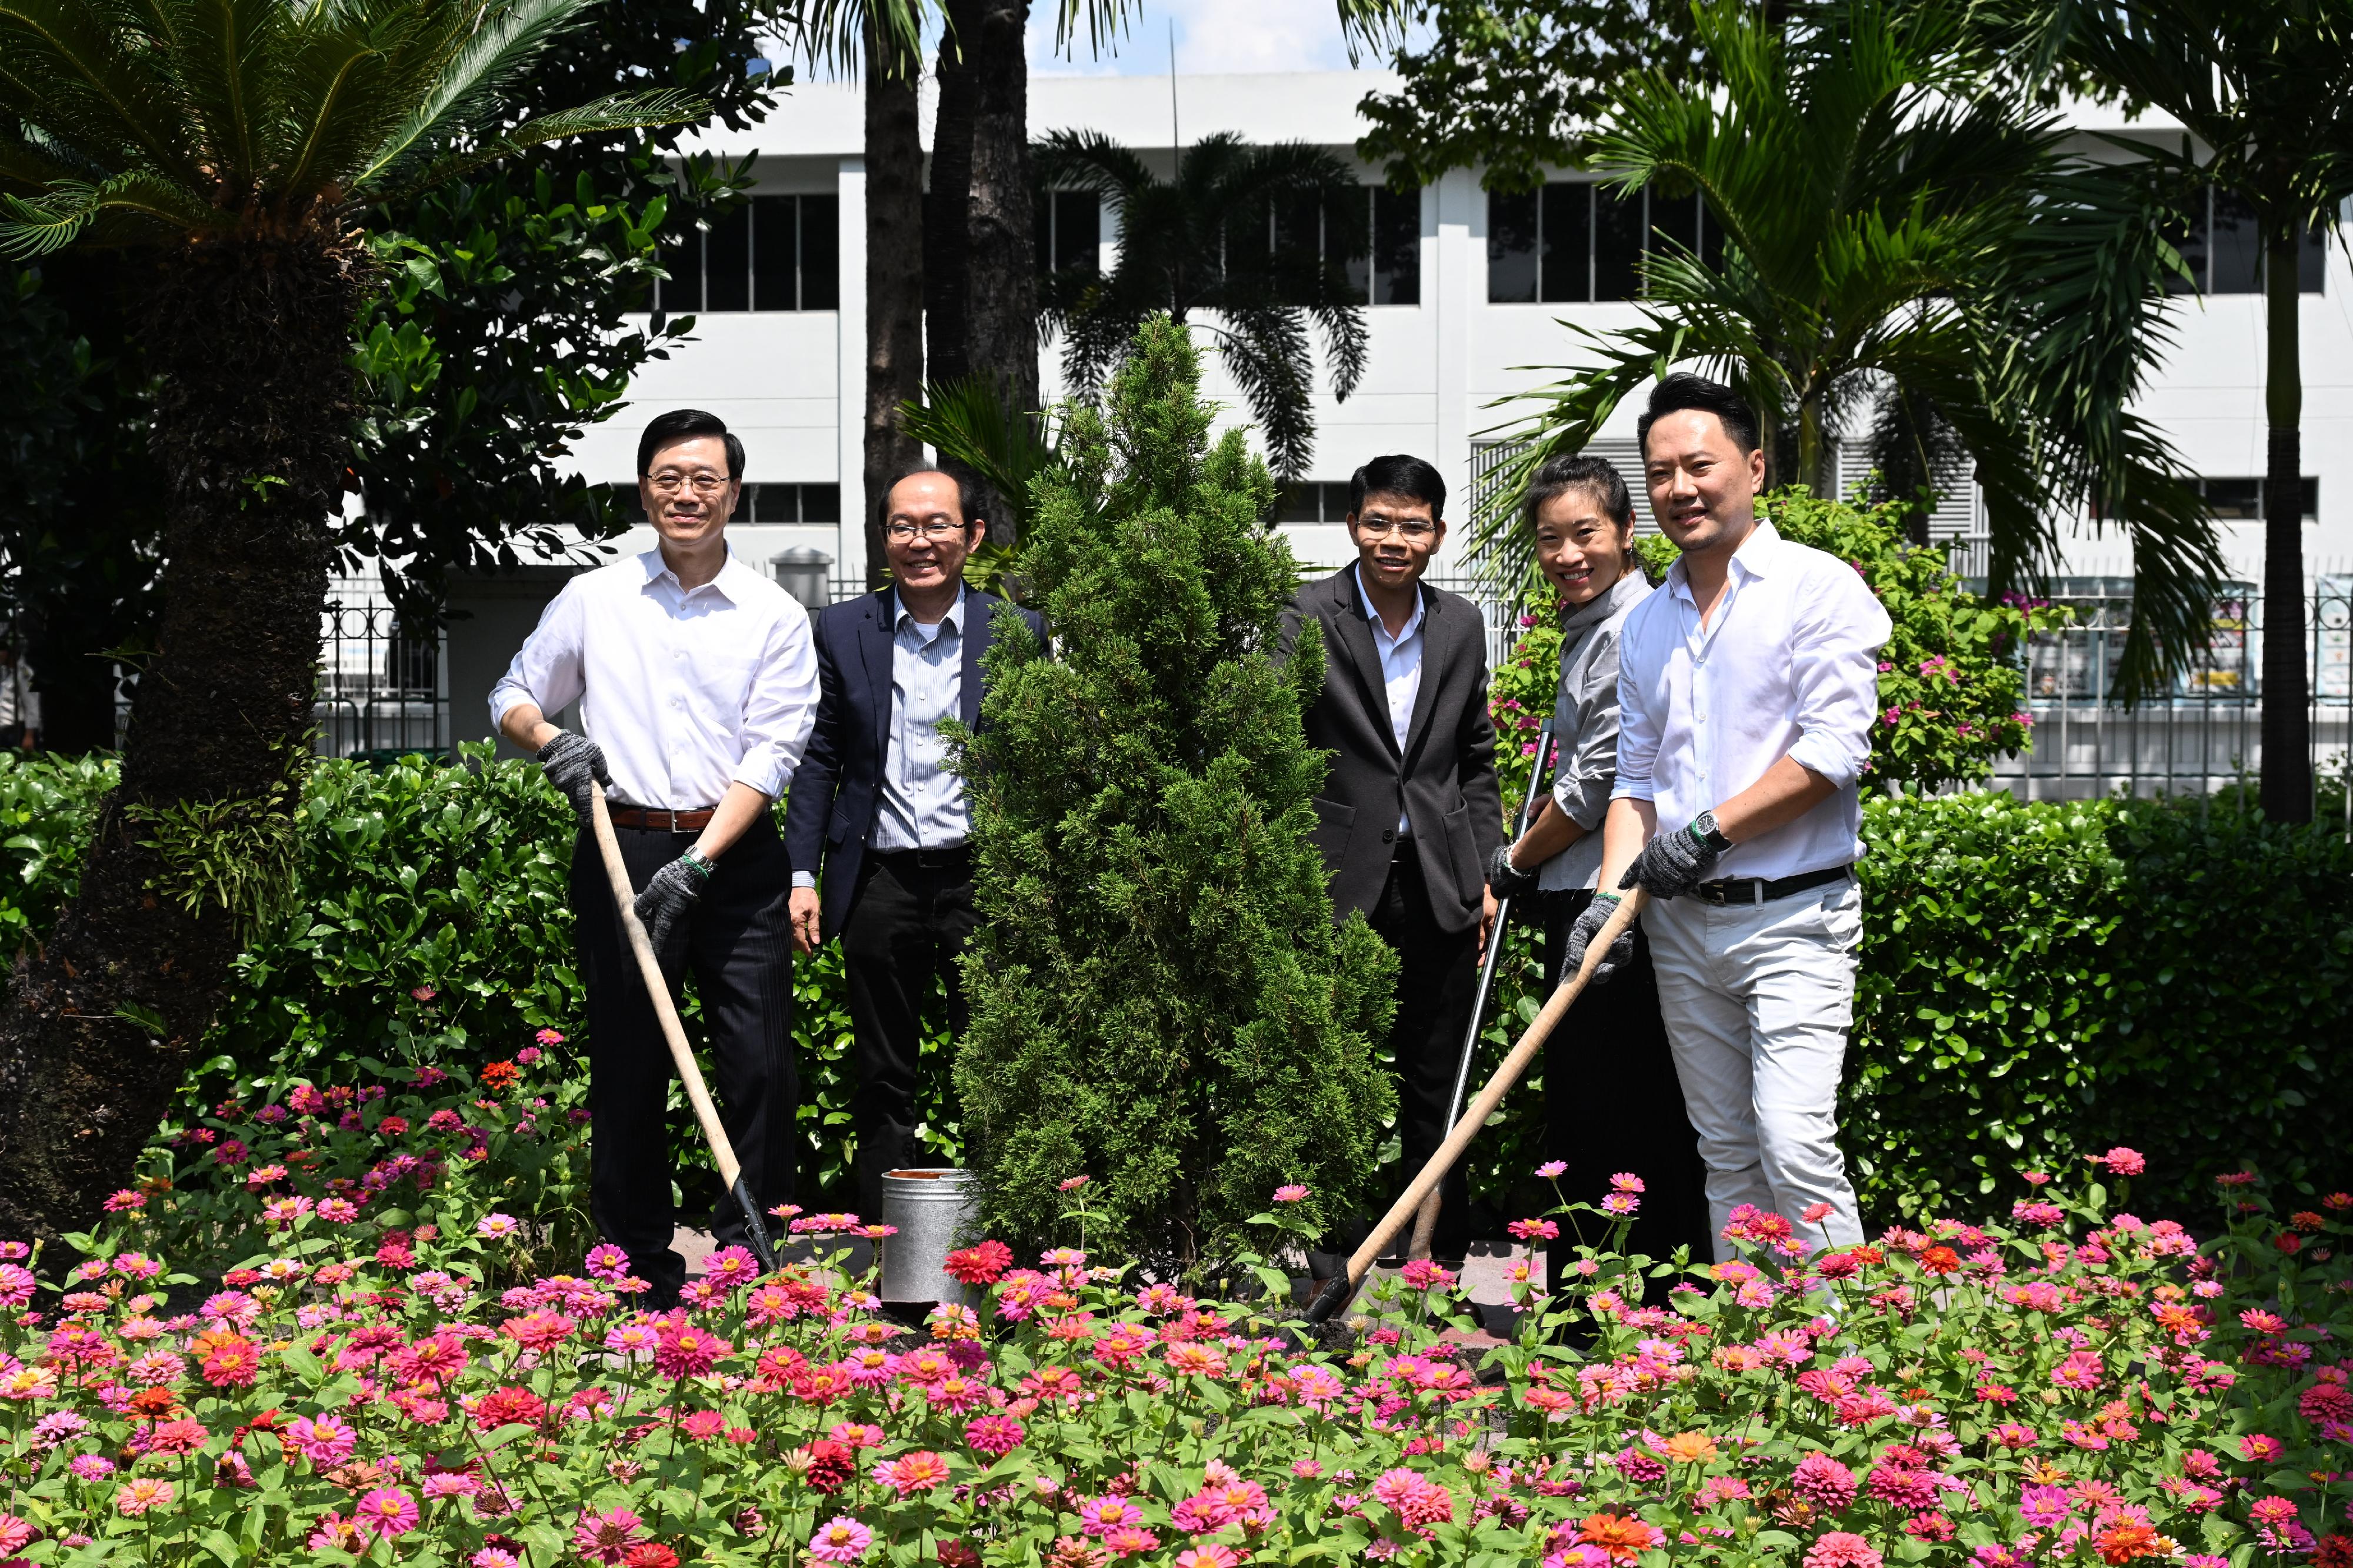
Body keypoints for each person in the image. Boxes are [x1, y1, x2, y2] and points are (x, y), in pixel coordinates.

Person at [491, 408, 818, 1305]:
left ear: (733, 494)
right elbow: (514, 692)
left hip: (737, 855)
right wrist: (550, 737)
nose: (687, 493)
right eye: (669, 477)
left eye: (706, 478)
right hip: (621, 845)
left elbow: (771, 754)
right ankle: (640, 1261)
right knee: (630, 1057)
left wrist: (702, 861)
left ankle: (750, 1249)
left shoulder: (774, 614)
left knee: (759, 1059)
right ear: (645, 490)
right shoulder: (596, 599)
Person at [1570, 374, 1892, 1257]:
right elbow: (1635, 779)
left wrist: (1709, 831)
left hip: (1796, 915)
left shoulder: (1816, 588)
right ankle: (1751, 1356)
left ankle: (1844, 1362)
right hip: (1680, 928)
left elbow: (1833, 752)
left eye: (1699, 465)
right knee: (1727, 1155)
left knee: (1795, 1144)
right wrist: (1605, 904)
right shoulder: (1645, 623)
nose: (1680, 488)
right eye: (1661, 472)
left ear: (1753, 467)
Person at [781, 470, 1045, 1223]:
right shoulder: (840, 629)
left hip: (981, 880)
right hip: (879, 880)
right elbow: (819, 757)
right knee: (883, 1072)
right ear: (884, 536)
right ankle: (887, 1239)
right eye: (902, 526)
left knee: (995, 1065)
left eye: (937, 525)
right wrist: (804, 871)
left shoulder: (1018, 633)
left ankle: (1002, 1238)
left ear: (973, 535)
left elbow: (1036, 763)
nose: (919, 541)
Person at [1484, 455, 1710, 1275]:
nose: (1568, 554)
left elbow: (1594, 788)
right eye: (1550, 539)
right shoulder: (1593, 626)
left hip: (1604, 901)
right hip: (1584, 891)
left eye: (1586, 533)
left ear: (1625, 531)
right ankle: (1608, 1300)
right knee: (1591, 1109)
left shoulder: (1627, 628)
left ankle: (1614, 1305)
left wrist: (1511, 863)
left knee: (1610, 1111)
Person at [1280, 453, 1504, 1265]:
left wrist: (1489, 871)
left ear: (1438, 535)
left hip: (1440, 883)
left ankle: (1433, 1251)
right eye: (1379, 521)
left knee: (1436, 1076)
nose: (1393, 539)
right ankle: (1327, 1248)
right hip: (1337, 881)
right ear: (1353, 525)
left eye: (1413, 526)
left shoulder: (1461, 624)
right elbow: (1279, 744)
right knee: (1330, 1069)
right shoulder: (1305, 614)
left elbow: (1474, 761)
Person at [0, 643, 39, 752]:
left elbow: (32, 706)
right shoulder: (5, 671)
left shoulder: (24, 673)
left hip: (16, 731)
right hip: (4, 732)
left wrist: (29, 736)